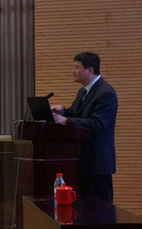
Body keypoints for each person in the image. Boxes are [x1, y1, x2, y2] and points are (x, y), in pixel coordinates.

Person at [50, 52, 118, 202]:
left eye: (76, 67)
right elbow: (77, 114)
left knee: (101, 208)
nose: (73, 71)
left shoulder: (105, 93)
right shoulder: (83, 91)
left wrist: (66, 120)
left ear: (90, 70)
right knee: (84, 208)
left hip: (97, 163)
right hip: (82, 161)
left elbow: (96, 124)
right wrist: (63, 111)